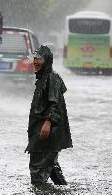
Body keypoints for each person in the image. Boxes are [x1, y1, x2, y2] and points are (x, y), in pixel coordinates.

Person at [25, 45, 73, 187]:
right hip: (42, 131)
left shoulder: (51, 78)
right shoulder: (44, 78)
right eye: (34, 58)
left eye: (39, 59)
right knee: (51, 166)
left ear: (47, 61)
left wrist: (48, 123)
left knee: (38, 168)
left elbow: (55, 105)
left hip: (46, 133)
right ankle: (63, 194)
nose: (35, 61)